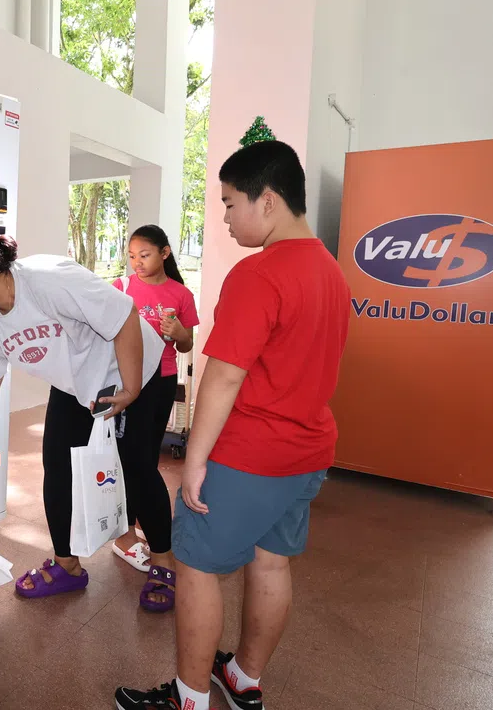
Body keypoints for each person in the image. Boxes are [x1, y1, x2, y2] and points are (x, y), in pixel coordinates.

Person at [116, 141, 351, 710]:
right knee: (271, 561)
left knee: (195, 566)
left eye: (227, 203)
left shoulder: (259, 273)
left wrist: (194, 461)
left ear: (266, 200)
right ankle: (243, 678)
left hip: (248, 454)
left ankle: (189, 698)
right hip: (307, 452)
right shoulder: (331, 271)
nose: (223, 217)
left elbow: (222, 377)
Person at [0, 234, 172, 610]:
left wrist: (129, 389)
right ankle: (67, 565)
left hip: (132, 366)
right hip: (78, 382)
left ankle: (163, 561)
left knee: (136, 467)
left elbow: (125, 315)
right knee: (57, 465)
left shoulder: (47, 279)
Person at [109, 225, 199, 582]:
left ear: (164, 253)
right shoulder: (121, 288)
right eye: (132, 256)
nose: (137, 263)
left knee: (145, 458)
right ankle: (126, 535)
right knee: (130, 460)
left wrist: (179, 334)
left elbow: (187, 345)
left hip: (161, 382)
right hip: (127, 382)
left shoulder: (181, 294)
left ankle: (138, 527)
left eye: (144, 255)